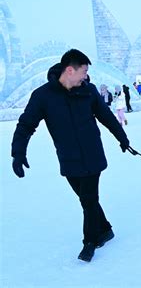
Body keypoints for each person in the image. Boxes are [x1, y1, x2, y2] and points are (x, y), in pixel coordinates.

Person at [11, 49, 131, 262]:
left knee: (88, 199)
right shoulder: (43, 96)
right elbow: (26, 124)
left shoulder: (89, 91)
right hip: (69, 159)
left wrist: (122, 138)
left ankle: (90, 242)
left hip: (93, 155)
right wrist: (18, 153)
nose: (86, 76)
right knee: (86, 198)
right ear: (69, 70)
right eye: (83, 71)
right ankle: (105, 229)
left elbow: (107, 117)